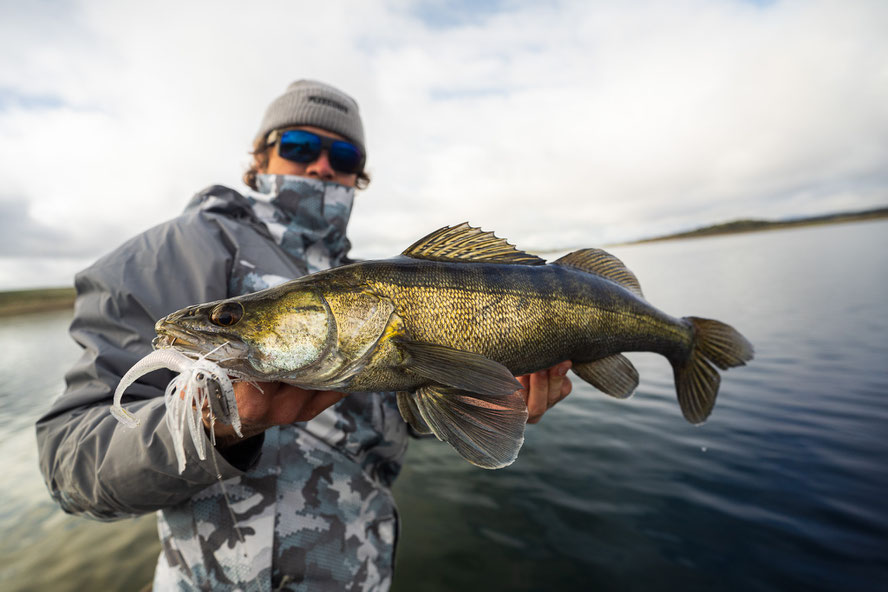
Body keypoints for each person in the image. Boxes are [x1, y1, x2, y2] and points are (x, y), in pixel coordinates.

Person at [36, 80, 572, 591]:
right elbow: (69, 462)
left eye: (345, 159)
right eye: (298, 145)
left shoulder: (374, 279)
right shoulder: (163, 257)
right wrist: (208, 425)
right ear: (259, 158)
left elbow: (400, 414)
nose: (321, 166)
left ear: (358, 177)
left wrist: (484, 395)